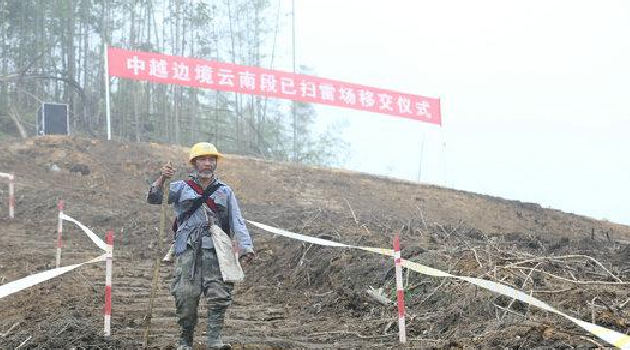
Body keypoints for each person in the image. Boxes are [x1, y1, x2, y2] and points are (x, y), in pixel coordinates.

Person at [147, 142, 254, 349]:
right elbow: (154, 198)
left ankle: (214, 340)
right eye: (203, 160)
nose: (207, 164)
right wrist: (162, 179)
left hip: (217, 252)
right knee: (185, 295)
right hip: (187, 249)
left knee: (219, 295)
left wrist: (245, 248)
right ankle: (185, 341)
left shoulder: (225, 191)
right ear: (194, 163)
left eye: (211, 159)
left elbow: (237, 221)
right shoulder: (178, 187)